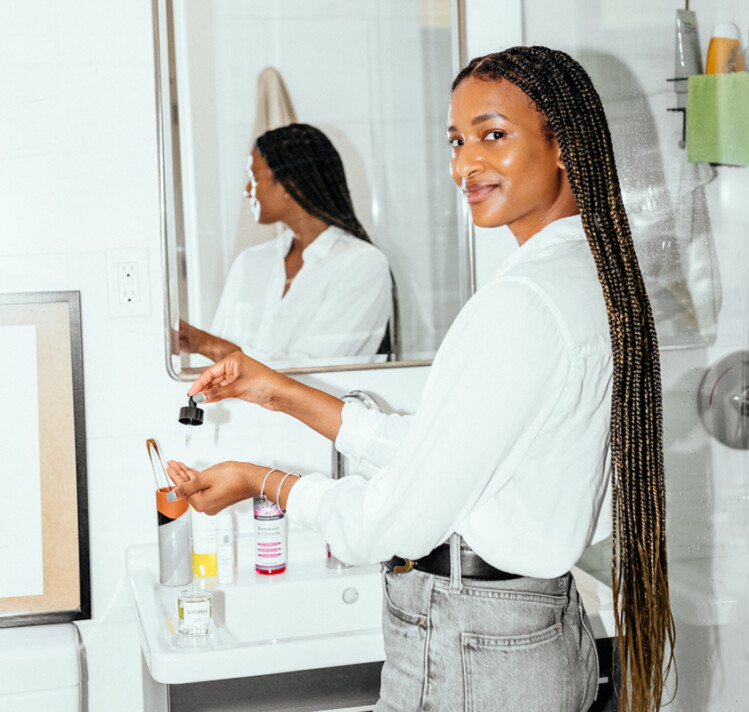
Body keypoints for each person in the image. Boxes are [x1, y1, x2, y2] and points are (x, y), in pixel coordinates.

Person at [167, 46, 675, 711]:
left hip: (473, 647)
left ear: (563, 145)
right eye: (457, 140)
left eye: (493, 134)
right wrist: (277, 392)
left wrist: (263, 482)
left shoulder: (521, 304)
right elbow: (448, 452)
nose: (465, 163)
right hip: (531, 633)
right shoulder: (590, 280)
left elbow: (386, 525)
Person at [178, 123, 393, 365]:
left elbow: (316, 372)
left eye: (254, 177)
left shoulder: (361, 265)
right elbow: (214, 365)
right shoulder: (249, 263)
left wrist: (203, 343)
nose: (248, 191)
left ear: (289, 184)